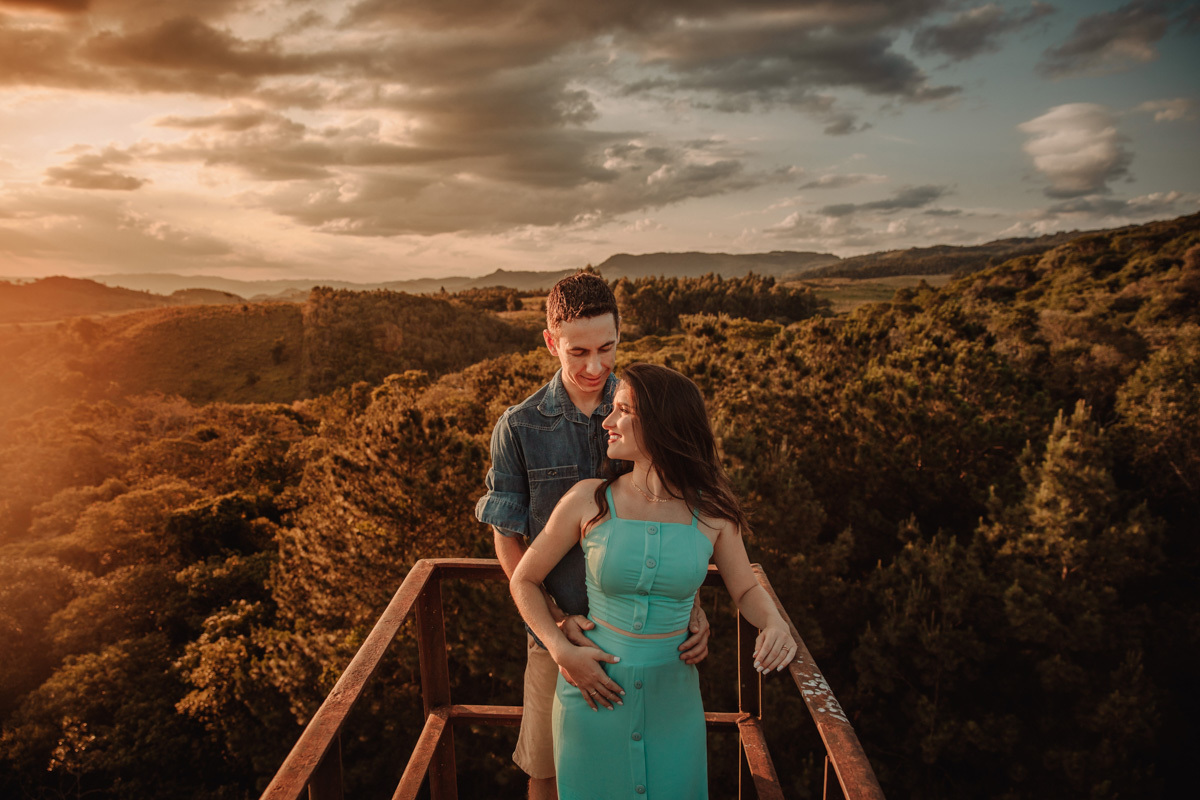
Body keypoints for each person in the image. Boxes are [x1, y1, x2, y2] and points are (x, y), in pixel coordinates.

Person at [509, 363, 797, 799]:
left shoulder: (713, 512)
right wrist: (561, 649)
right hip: (591, 694)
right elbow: (524, 580)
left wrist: (775, 624)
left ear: (663, 425)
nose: (607, 421)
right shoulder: (589, 499)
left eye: (623, 410)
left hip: (674, 701)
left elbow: (746, 588)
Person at [475, 272, 711, 800]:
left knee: (650, 775)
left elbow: (681, 510)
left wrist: (688, 601)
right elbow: (508, 539)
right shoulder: (519, 426)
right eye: (578, 351)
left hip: (650, 636)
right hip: (556, 636)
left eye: (607, 348)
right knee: (548, 772)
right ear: (550, 341)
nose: (595, 367)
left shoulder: (643, 409)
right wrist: (556, 632)